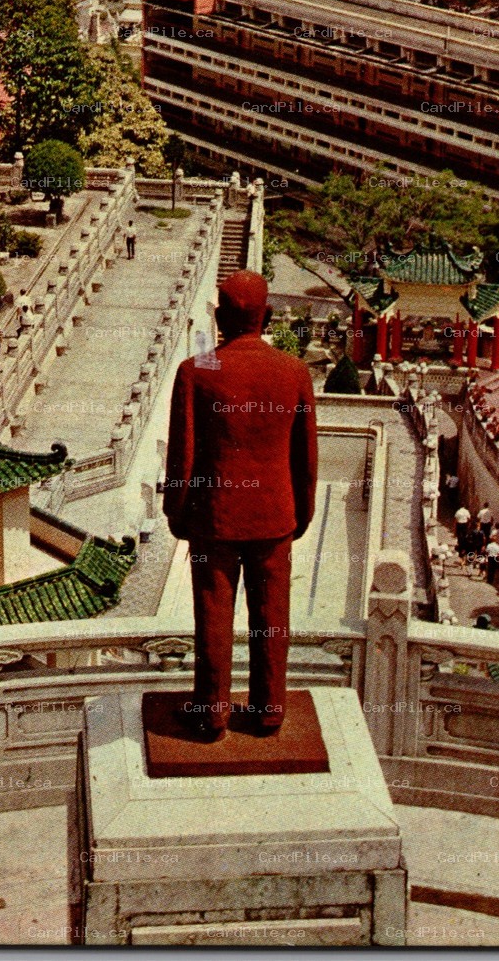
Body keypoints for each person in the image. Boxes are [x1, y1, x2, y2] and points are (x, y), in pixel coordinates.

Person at [164, 270, 317, 742]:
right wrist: (301, 514)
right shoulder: (294, 372)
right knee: (272, 618)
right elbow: (306, 459)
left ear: (220, 316)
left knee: (213, 616)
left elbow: (182, 456)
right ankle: (269, 710)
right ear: (267, 317)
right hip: (274, 518)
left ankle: (212, 712)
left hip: (213, 518)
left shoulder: (197, 371)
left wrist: (177, 511)